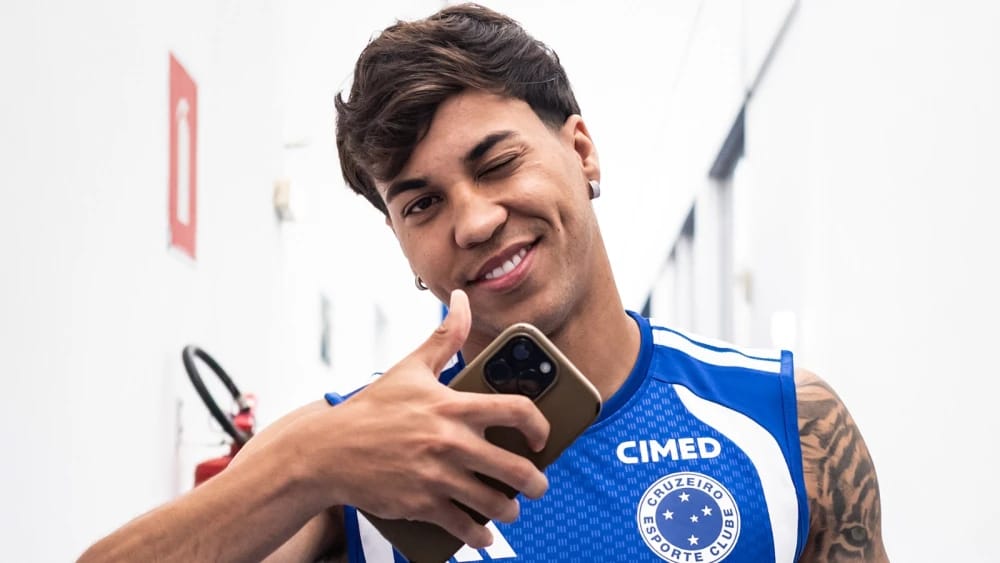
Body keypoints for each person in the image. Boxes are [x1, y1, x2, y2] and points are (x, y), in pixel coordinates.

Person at [79, 4, 887, 562]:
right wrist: (305, 460)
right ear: (404, 247)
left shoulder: (782, 419)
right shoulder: (351, 458)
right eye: (421, 204)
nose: (472, 221)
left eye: (497, 163)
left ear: (582, 151)